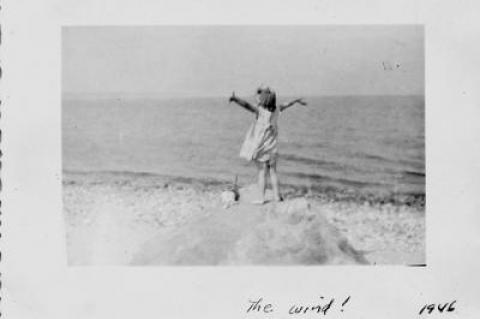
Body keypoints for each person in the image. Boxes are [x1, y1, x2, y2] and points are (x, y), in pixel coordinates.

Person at [229, 85, 307, 204]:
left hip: (262, 148)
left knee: (262, 172)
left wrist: (235, 99)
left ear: (263, 100)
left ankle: (261, 198)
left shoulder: (259, 111)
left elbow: (245, 105)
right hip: (273, 148)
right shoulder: (276, 110)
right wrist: (296, 101)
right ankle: (276, 196)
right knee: (273, 172)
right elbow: (287, 104)